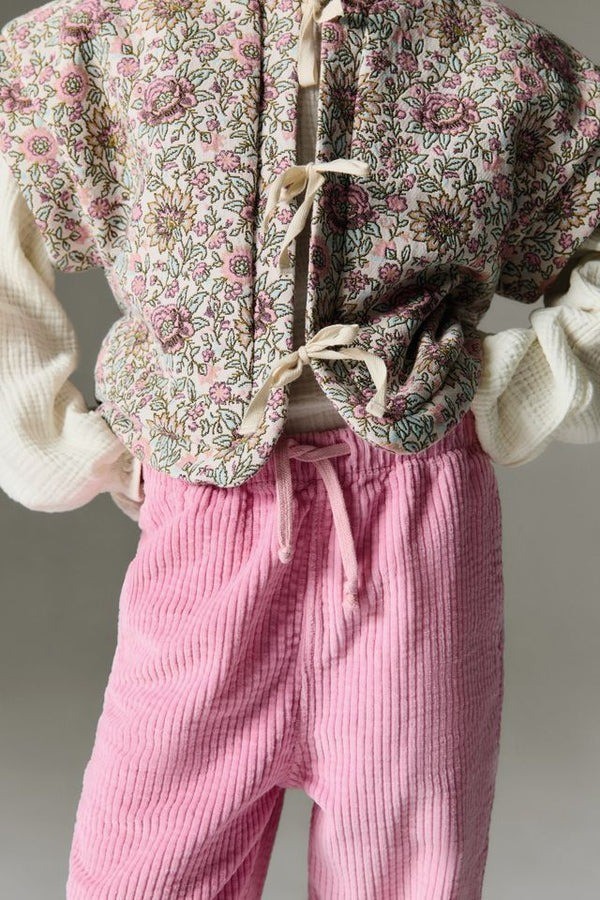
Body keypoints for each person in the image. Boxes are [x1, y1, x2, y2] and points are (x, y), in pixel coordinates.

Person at [1, 1, 599, 896]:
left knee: (406, 875)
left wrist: (517, 390)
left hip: (417, 530)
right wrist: (59, 446)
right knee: (140, 872)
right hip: (205, 528)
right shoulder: (105, 38)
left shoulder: (487, 53)